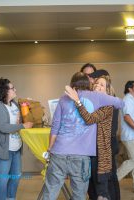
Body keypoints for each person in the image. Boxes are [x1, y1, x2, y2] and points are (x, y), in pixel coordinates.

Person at [43, 72, 124, 200]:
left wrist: (50, 147)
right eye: (96, 83)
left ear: (72, 84)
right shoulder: (96, 97)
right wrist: (105, 97)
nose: (97, 85)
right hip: (81, 156)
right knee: (79, 195)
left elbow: (55, 125)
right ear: (89, 84)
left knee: (49, 193)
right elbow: (120, 103)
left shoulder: (64, 98)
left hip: (59, 152)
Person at [65, 75, 120, 200]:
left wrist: (77, 101)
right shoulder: (91, 103)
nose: (97, 86)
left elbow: (89, 119)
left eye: (102, 85)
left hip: (100, 153)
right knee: (92, 190)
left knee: (102, 192)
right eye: (96, 83)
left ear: (107, 90)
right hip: (88, 151)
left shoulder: (108, 104)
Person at [0, 78, 33, 200]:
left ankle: (11, 198)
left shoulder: (15, 104)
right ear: (5, 91)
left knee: (15, 177)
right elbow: (3, 127)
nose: (15, 90)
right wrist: (22, 126)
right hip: (2, 149)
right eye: (12, 88)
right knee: (2, 180)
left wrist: (28, 109)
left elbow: (19, 121)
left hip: (15, 147)